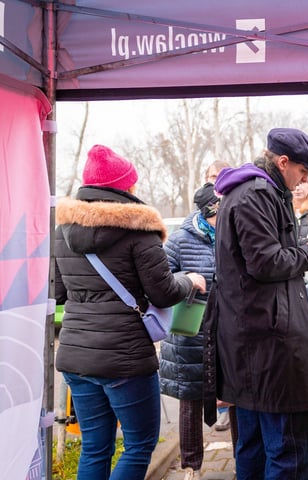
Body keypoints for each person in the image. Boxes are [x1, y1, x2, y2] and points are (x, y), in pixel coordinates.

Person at [54, 144, 206, 480]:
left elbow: (58, 293)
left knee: (95, 446)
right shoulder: (139, 230)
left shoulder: (63, 232)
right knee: (139, 444)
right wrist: (189, 280)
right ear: (125, 187)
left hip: (75, 357)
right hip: (124, 359)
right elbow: (164, 294)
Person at [202, 127, 308, 480]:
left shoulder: (255, 192)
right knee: (288, 451)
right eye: (303, 171)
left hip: (254, 348)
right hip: (270, 348)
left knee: (255, 447)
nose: (304, 179)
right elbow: (264, 263)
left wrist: (307, 248)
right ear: (283, 162)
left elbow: (264, 256)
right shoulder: (257, 194)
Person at [158, 183, 221, 480]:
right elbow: (161, 281)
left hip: (227, 331)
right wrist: (187, 279)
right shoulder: (179, 240)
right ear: (209, 211)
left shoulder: (235, 236)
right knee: (190, 401)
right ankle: (191, 468)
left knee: (237, 396)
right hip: (190, 333)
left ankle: (245, 460)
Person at [294, 180, 308, 299]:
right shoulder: (285, 209)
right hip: (291, 267)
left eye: (302, 183)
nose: (298, 188)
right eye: (296, 184)